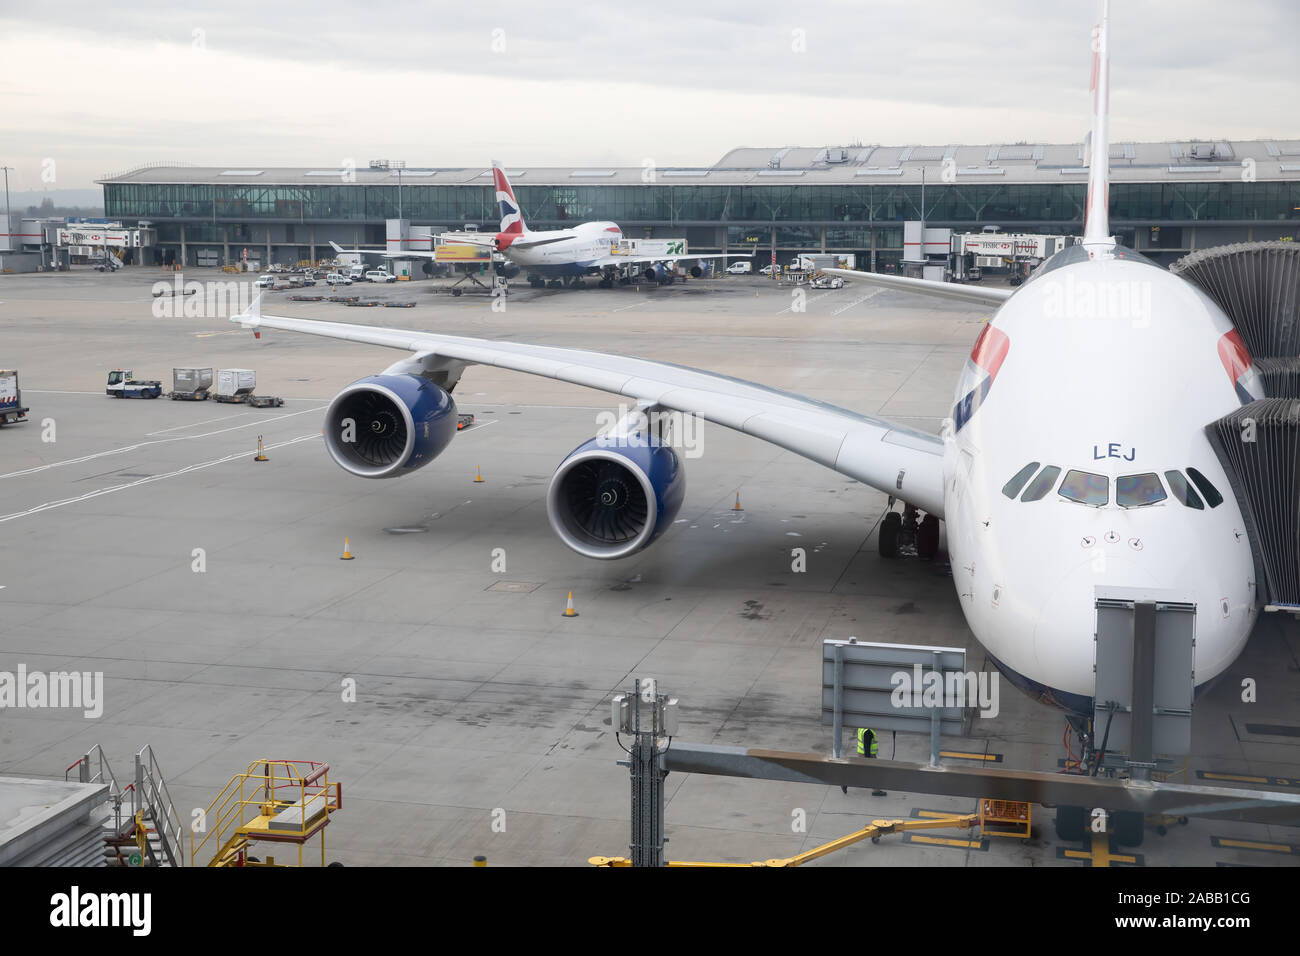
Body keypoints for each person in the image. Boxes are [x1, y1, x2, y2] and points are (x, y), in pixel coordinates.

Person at [842, 727, 887, 796]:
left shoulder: (862, 727)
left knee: (863, 771)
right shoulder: (868, 731)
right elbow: (867, 746)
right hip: (868, 755)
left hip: (861, 753)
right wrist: (868, 760)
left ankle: (876, 790)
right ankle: (876, 790)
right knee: (874, 771)